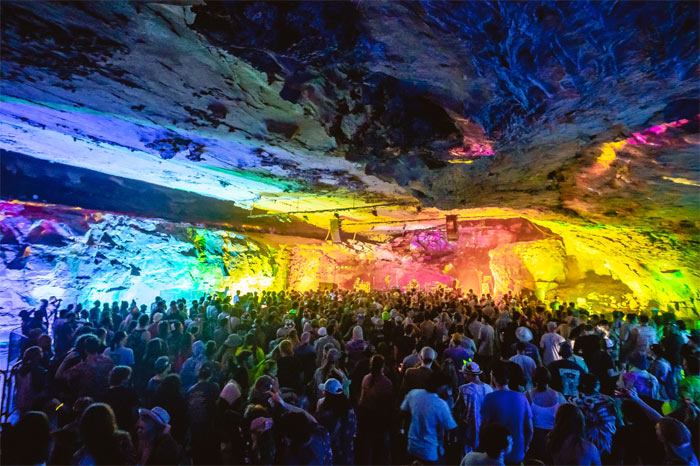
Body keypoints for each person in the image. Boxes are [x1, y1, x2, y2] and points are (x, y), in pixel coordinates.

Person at [480, 361, 533, 464]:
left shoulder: (490, 398)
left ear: (493, 377)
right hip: (517, 451)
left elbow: (483, 427)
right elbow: (530, 429)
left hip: (495, 453)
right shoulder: (521, 397)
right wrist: (526, 447)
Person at [400, 371, 457, 464]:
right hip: (429, 450)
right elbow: (451, 427)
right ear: (440, 386)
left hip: (412, 445)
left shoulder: (413, 394)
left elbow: (402, 412)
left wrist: (402, 430)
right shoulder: (440, 404)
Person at [357, 354, 393, 465]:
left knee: (368, 447)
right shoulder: (386, 383)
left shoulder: (366, 379)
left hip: (367, 417)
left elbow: (362, 400)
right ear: (382, 366)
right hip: (380, 419)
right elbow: (388, 403)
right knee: (383, 449)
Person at [573, 373, 620, 457]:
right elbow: (615, 421)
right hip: (603, 440)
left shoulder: (573, 400)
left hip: (581, 439)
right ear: (596, 385)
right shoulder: (606, 400)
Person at [526, 367, 566, 462]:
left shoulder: (527, 395)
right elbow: (565, 418)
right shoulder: (559, 396)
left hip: (534, 438)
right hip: (554, 437)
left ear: (534, 379)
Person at [316, 378, 358, 465]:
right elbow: (354, 431)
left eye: (324, 392)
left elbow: (320, 434)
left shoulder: (325, 415)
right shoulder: (349, 410)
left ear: (328, 394)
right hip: (347, 453)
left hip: (332, 454)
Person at [455, 361, 493, 456]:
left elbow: (457, 408)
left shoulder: (463, 389)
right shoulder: (488, 388)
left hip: (468, 426)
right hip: (484, 426)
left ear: (469, 375)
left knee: (467, 453)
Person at [104, 365, 140, 432]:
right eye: (128, 377)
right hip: (127, 428)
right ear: (124, 379)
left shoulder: (105, 394)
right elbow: (135, 413)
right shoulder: (131, 393)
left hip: (110, 429)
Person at [15, 346, 47, 415]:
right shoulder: (37, 369)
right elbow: (38, 385)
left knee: (22, 417)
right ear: (37, 356)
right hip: (33, 399)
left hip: (21, 398)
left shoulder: (21, 367)